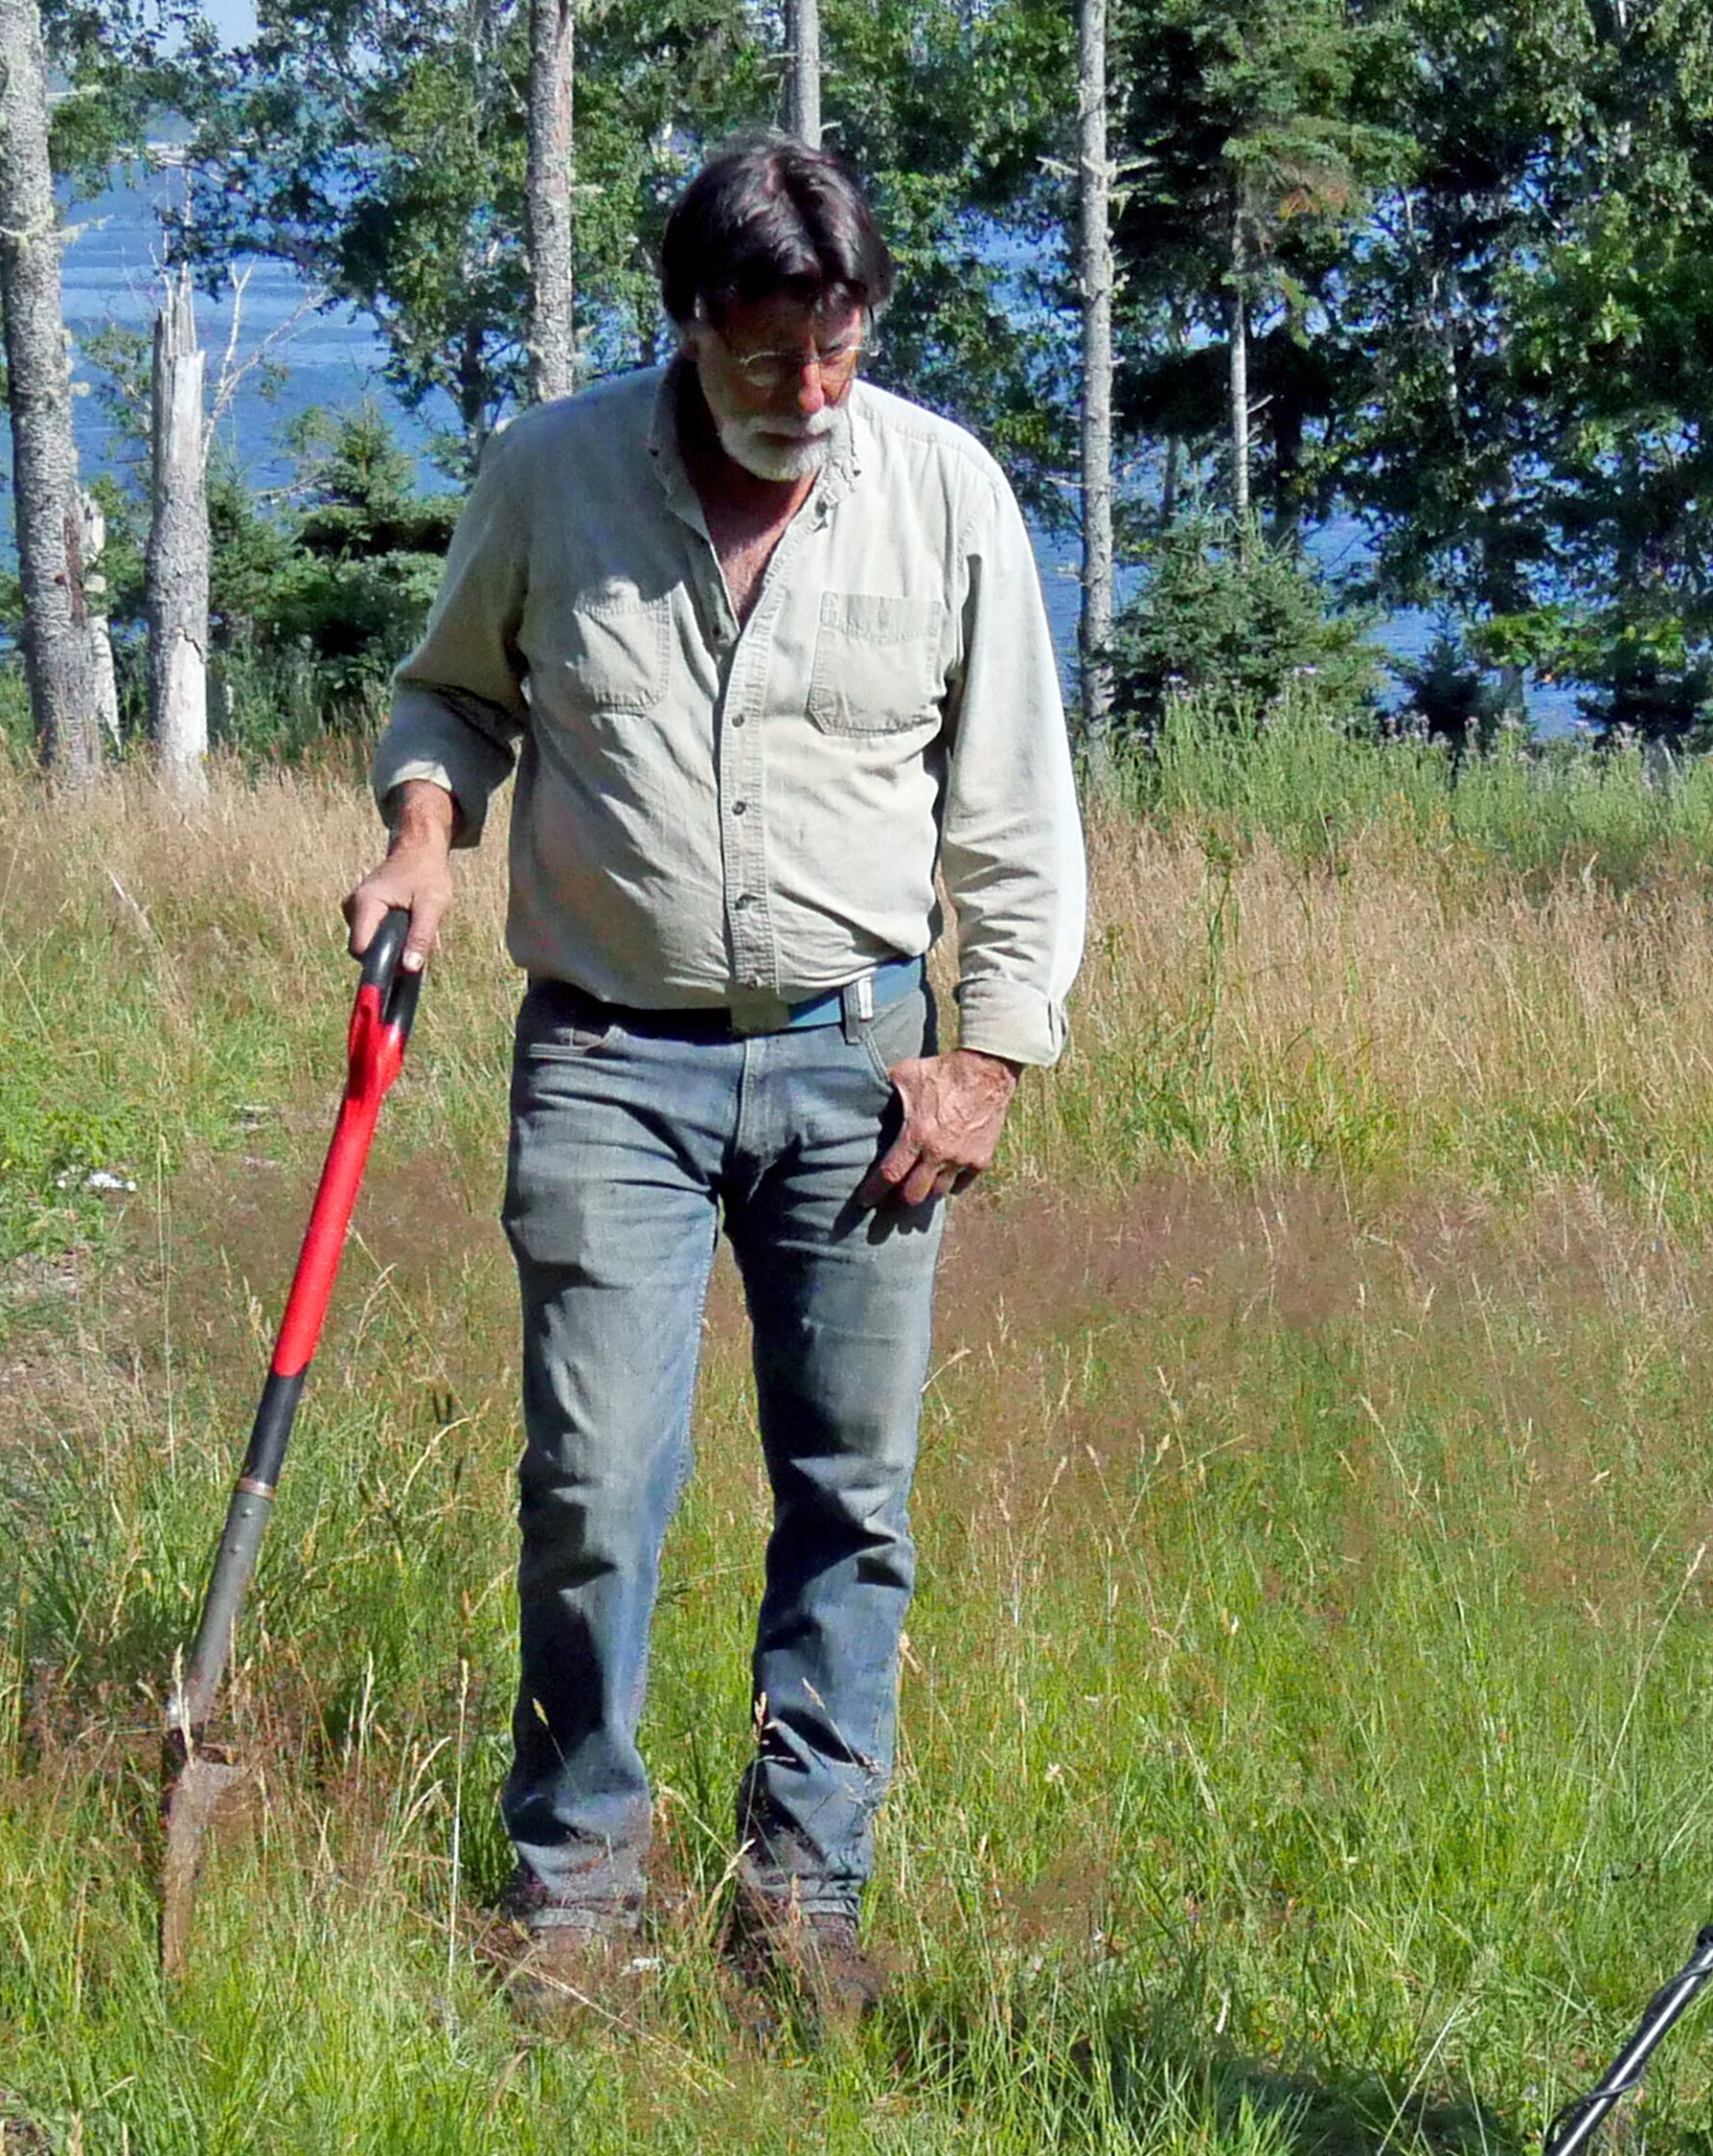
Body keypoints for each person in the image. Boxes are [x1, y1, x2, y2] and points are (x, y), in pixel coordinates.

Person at [343, 133, 1087, 2031]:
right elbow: (450, 697)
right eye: (769, 361)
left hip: (860, 1070)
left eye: (838, 355)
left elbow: (1010, 813)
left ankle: (799, 1894)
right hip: (605, 1063)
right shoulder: (552, 474)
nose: (809, 399)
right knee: (594, 1485)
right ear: (687, 326)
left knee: (851, 1495)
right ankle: (575, 1892)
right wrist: (425, 834)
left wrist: (984, 1057)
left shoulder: (941, 496)